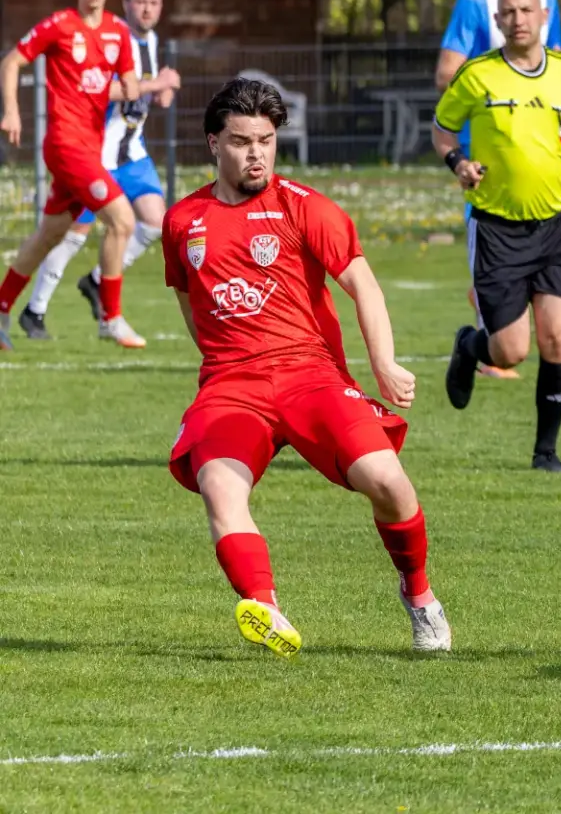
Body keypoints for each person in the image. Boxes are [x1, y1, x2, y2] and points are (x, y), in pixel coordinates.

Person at [162, 77, 450, 656]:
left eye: (266, 140)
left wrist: (385, 364)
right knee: (220, 487)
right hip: (233, 386)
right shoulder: (182, 221)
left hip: (310, 376)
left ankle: (419, 596)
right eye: (242, 141)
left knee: (389, 483)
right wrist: (222, 364)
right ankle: (264, 608)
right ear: (213, 143)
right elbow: (190, 305)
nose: (256, 154)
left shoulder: (304, 206)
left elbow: (363, 287)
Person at [434, 0, 561, 474]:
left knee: (557, 337)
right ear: (499, 21)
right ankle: (469, 346)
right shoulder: (477, 75)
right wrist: (459, 162)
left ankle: (545, 453)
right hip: (497, 230)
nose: (519, 18)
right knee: (509, 352)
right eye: (509, 11)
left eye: (528, 9)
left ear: (543, 14)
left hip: (557, 227)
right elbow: (442, 131)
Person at [438, 0, 561, 380]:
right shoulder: (475, 0)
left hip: (539, 143)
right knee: (490, 235)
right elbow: (446, 70)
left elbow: (552, 65)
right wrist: (492, 84)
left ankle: (505, 334)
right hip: (484, 145)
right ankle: (489, 335)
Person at [19, 0, 181, 339]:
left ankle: (96, 281)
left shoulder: (152, 41)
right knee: (70, 232)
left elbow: (145, 94)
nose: (147, 9)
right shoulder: (112, 38)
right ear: (125, 5)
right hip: (97, 154)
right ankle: (35, 309)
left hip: (132, 153)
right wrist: (155, 85)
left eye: (154, 3)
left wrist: (163, 91)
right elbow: (99, 90)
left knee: (157, 222)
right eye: (140, 1)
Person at [0, 0, 143, 349]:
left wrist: (133, 87)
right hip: (65, 144)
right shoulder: (60, 25)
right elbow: (11, 62)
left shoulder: (118, 32)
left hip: (90, 146)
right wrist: (12, 112)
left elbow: (128, 79)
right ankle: (110, 318)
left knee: (49, 234)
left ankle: (1, 306)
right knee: (123, 221)